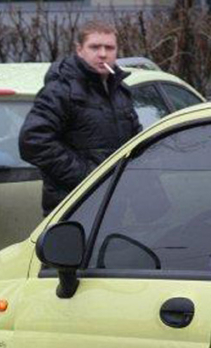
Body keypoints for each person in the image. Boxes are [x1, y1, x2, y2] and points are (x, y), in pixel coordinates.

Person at [19, 20, 141, 216]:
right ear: (79, 50)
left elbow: (135, 142)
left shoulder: (120, 91)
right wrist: (88, 177)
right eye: (95, 47)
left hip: (112, 205)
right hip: (73, 206)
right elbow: (33, 141)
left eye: (109, 48)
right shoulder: (61, 90)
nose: (103, 54)